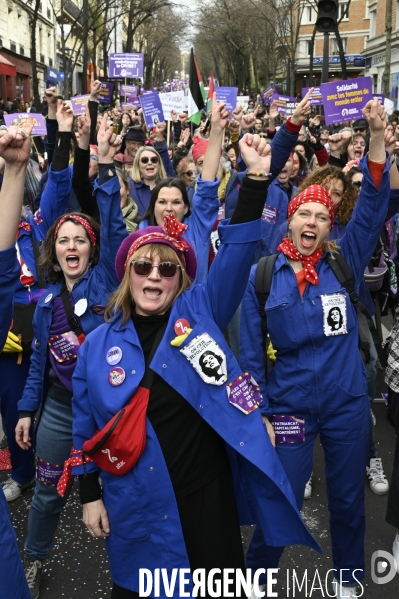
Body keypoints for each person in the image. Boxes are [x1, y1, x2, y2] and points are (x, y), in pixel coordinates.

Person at [69, 125, 319, 599]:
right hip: (135, 500)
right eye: (143, 266)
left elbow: (236, 257)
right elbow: (85, 428)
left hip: (206, 495)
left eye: (168, 268)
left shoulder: (198, 312)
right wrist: (90, 495)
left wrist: (257, 178)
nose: (154, 275)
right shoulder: (97, 345)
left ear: (181, 278)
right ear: (126, 274)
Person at [240, 100, 390, 599]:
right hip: (290, 407)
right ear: (289, 221)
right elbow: (247, 356)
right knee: (279, 498)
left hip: (347, 403)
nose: (311, 221)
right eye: (303, 212)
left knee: (348, 501)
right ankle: (252, 580)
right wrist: (257, 410)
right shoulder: (262, 276)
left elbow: (371, 202)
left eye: (321, 216)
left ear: (330, 228)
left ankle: (348, 579)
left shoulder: (343, 261)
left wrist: (373, 137)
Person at [14, 115, 128, 599]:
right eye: (63, 240)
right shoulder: (43, 303)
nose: (71, 246)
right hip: (60, 414)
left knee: (121, 494)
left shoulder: (108, 283)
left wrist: (101, 162)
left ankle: (130, 568)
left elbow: (116, 228)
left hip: (112, 413)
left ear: (92, 248)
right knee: (46, 495)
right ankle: (35, 561)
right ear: (54, 251)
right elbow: (39, 363)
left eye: (80, 239)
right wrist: (24, 409)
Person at [1, 99, 74, 504]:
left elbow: (59, 187)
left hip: (47, 327)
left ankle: (72, 462)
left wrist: (61, 134)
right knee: (15, 409)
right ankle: (24, 473)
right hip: (7, 341)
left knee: (63, 399)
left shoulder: (37, 225)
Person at [0, 120, 33, 599]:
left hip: (21, 337)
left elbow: (5, 266)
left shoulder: (36, 223)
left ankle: (24, 474)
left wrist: (14, 171)